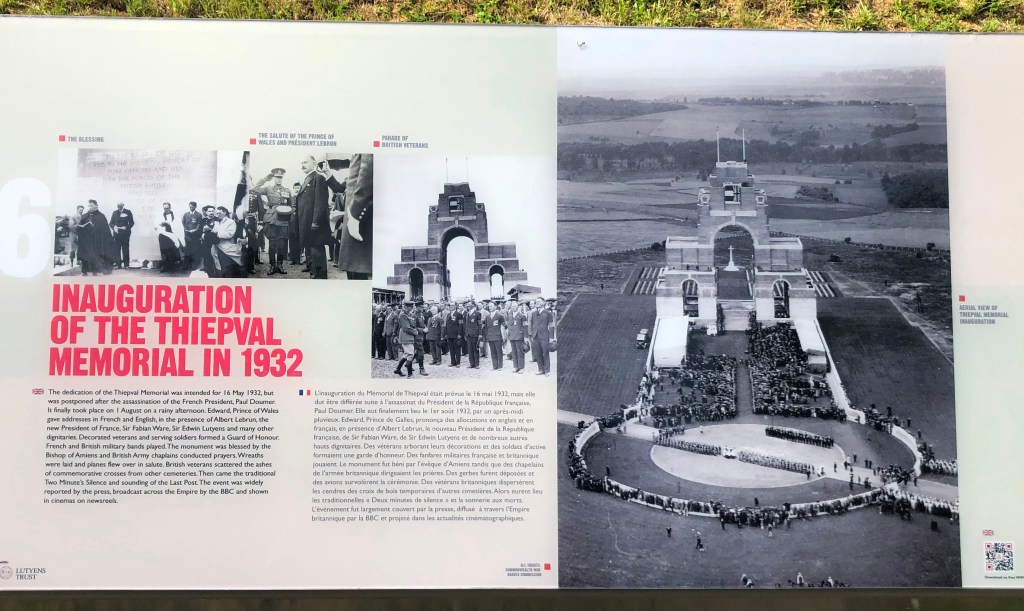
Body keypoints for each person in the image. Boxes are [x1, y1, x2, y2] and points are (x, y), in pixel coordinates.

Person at [325, 153, 373, 280]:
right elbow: (341, 188)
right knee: (354, 269)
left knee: (357, 269)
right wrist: (328, 173)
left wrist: (355, 214)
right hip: (354, 218)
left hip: (358, 218)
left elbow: (368, 171)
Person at [295, 155, 331, 279]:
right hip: (306, 224)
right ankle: (314, 276)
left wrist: (315, 221)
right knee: (310, 252)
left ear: (314, 163)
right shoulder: (307, 179)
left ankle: (319, 278)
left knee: (316, 253)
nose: (302, 165)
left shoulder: (318, 178)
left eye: (305, 162)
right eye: (301, 163)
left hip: (314, 225)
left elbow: (320, 202)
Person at [76, 199, 115, 276]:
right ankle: (84, 271)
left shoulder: (101, 216)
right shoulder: (84, 216)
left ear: (96, 206)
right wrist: (80, 228)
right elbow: (79, 227)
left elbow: (105, 230)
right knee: (86, 254)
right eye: (89, 206)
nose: (89, 207)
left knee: (97, 255)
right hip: (87, 241)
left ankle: (96, 271)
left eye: (91, 206)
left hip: (98, 241)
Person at [206, 205, 243, 278]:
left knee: (226, 267)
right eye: (217, 213)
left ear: (225, 212)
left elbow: (230, 234)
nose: (217, 215)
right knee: (218, 266)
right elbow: (213, 231)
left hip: (226, 248)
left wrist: (216, 233)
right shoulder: (217, 222)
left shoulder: (231, 222)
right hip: (216, 247)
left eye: (219, 213)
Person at [262, 203, 291, 276]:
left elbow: (290, 205)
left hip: (283, 218)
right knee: (272, 244)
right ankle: (272, 266)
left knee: (281, 244)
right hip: (270, 218)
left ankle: (279, 265)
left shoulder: (287, 191)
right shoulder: (267, 190)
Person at [528, 298, 555, 376]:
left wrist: (551, 337)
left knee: (545, 353)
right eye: (536, 302)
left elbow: (551, 326)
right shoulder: (533, 313)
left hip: (544, 336)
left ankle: (547, 371)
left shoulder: (547, 313)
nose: (537, 303)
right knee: (538, 354)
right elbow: (532, 324)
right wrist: (532, 334)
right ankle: (541, 370)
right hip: (535, 336)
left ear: (543, 303)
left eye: (539, 301)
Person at [109, 202, 135, 269]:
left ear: (123, 205)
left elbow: (132, 222)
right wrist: (114, 227)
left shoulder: (128, 212)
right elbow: (111, 223)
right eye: (118, 206)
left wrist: (127, 227)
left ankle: (126, 265)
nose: (119, 207)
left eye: (120, 205)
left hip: (125, 234)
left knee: (125, 249)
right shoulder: (114, 212)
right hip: (117, 234)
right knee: (117, 249)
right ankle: (118, 265)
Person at [507, 302, 528, 373]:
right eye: (512, 306)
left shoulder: (522, 316)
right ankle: (515, 367)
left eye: (515, 306)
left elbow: (525, 327)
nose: (513, 308)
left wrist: (526, 337)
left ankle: (521, 367)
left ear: (518, 307)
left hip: (519, 336)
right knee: (514, 352)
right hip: (512, 336)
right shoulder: (510, 315)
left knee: (520, 352)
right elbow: (509, 325)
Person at [182, 201, 203, 270]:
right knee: (187, 250)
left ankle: (194, 265)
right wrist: (186, 230)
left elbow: (199, 224)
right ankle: (187, 265)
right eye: (190, 207)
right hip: (187, 235)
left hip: (195, 235)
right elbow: (183, 224)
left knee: (194, 250)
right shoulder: (185, 214)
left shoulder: (199, 215)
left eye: (192, 207)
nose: (191, 208)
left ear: (195, 207)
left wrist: (195, 230)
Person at [485, 301, 506, 370]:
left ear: (495, 306)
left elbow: (504, 326)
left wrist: (504, 336)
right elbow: (486, 328)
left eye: (491, 306)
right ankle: (495, 366)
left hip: (497, 337)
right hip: (490, 337)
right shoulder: (487, 317)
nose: (490, 307)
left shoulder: (499, 316)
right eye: (489, 306)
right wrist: (486, 336)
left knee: (499, 352)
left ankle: (500, 366)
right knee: (493, 352)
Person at [465, 300, 482, 369]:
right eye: (468, 305)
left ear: (473, 305)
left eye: (470, 305)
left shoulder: (477, 313)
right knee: (470, 350)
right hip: (468, 334)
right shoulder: (467, 314)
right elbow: (466, 324)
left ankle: (477, 364)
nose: (468, 306)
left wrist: (480, 334)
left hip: (475, 334)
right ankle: (471, 363)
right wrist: (466, 333)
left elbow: (480, 324)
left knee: (475, 349)